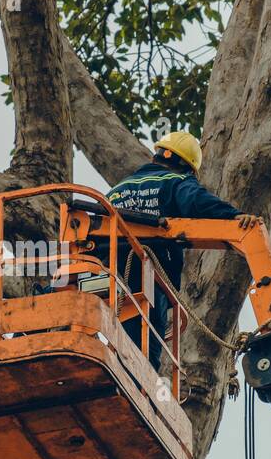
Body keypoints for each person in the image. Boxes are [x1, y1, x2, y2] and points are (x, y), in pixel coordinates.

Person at [106, 130, 257, 370]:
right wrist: (234, 216)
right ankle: (141, 392)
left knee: (112, 334)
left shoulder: (116, 192)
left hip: (104, 274)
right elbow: (197, 201)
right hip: (145, 278)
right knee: (144, 349)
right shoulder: (175, 182)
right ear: (187, 169)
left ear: (156, 157)